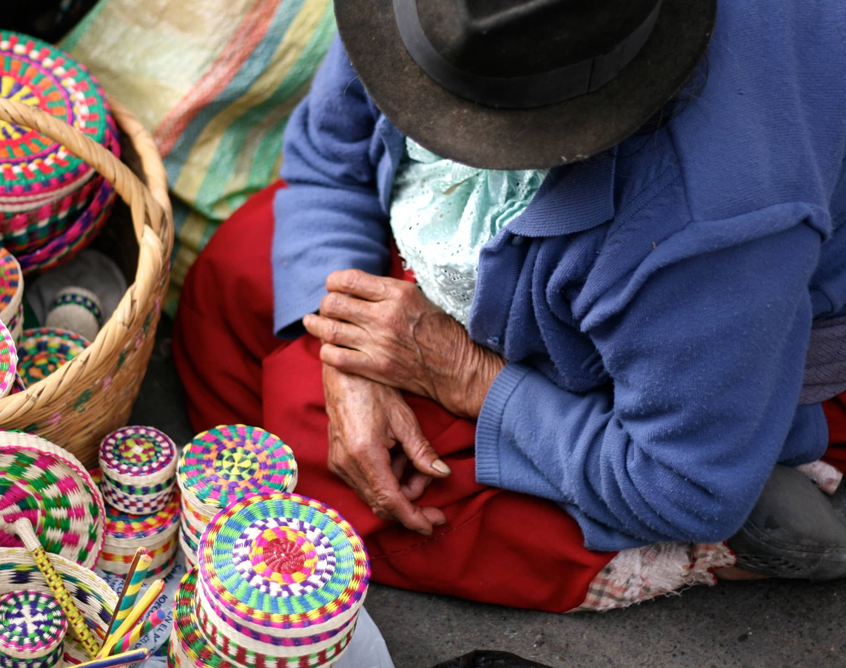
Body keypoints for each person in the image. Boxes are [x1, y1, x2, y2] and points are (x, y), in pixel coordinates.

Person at [174, 0, 846, 612]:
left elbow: (681, 481)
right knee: (238, 273)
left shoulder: (709, 222)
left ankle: (706, 536)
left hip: (717, 353)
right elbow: (330, 151)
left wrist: (464, 374)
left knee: (360, 479)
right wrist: (344, 352)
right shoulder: (435, 17)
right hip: (588, 283)